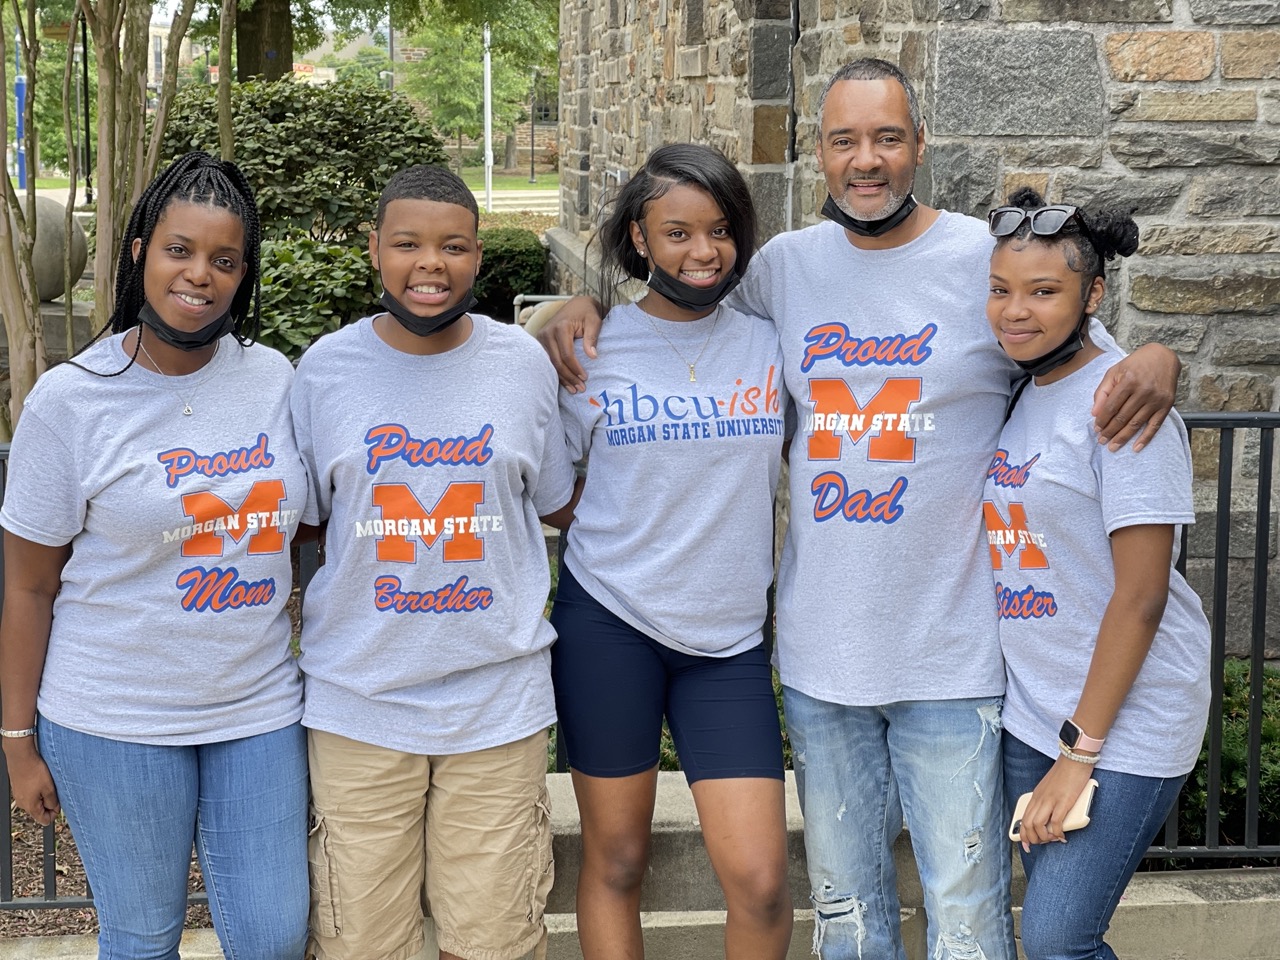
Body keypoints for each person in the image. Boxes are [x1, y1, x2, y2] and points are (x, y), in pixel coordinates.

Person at [535, 59, 1182, 960]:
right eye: (845, 140)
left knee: (966, 921)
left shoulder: (979, 261)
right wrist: (578, 305)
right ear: (820, 153)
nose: (866, 159)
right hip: (819, 657)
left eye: (886, 137)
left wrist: (1160, 356)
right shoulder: (784, 272)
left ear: (920, 145)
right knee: (847, 921)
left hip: (953, 656)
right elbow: (679, 304)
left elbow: (1090, 353)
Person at [0, 151, 309, 959]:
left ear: (244, 273)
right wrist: (16, 741)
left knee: (274, 937)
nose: (199, 274)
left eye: (224, 259)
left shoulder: (274, 380)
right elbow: (29, 588)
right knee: (141, 941)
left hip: (255, 708)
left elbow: (308, 516)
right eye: (180, 249)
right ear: (140, 251)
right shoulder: (71, 401)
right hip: (114, 717)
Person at [291, 164, 577, 960]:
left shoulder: (521, 364)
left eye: (453, 246)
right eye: (408, 244)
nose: (430, 264)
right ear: (374, 249)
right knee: (360, 945)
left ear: (478, 257)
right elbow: (306, 523)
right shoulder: (323, 372)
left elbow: (554, 499)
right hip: (359, 703)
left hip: (495, 704)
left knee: (492, 944)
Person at [550, 143, 792, 960]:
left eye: (720, 230)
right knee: (617, 859)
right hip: (610, 626)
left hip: (725, 643)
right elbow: (553, 494)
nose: (702, 251)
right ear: (640, 242)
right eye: (678, 232)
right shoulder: (589, 347)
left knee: (760, 880)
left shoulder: (769, 341)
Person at [983, 188, 1210, 960]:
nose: (1017, 311)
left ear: (1094, 294)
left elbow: (1143, 596)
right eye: (1002, 289)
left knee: (1055, 939)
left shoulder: (1124, 407)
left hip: (1122, 723)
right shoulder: (1025, 385)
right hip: (1034, 711)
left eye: (1044, 292)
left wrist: (1079, 757)